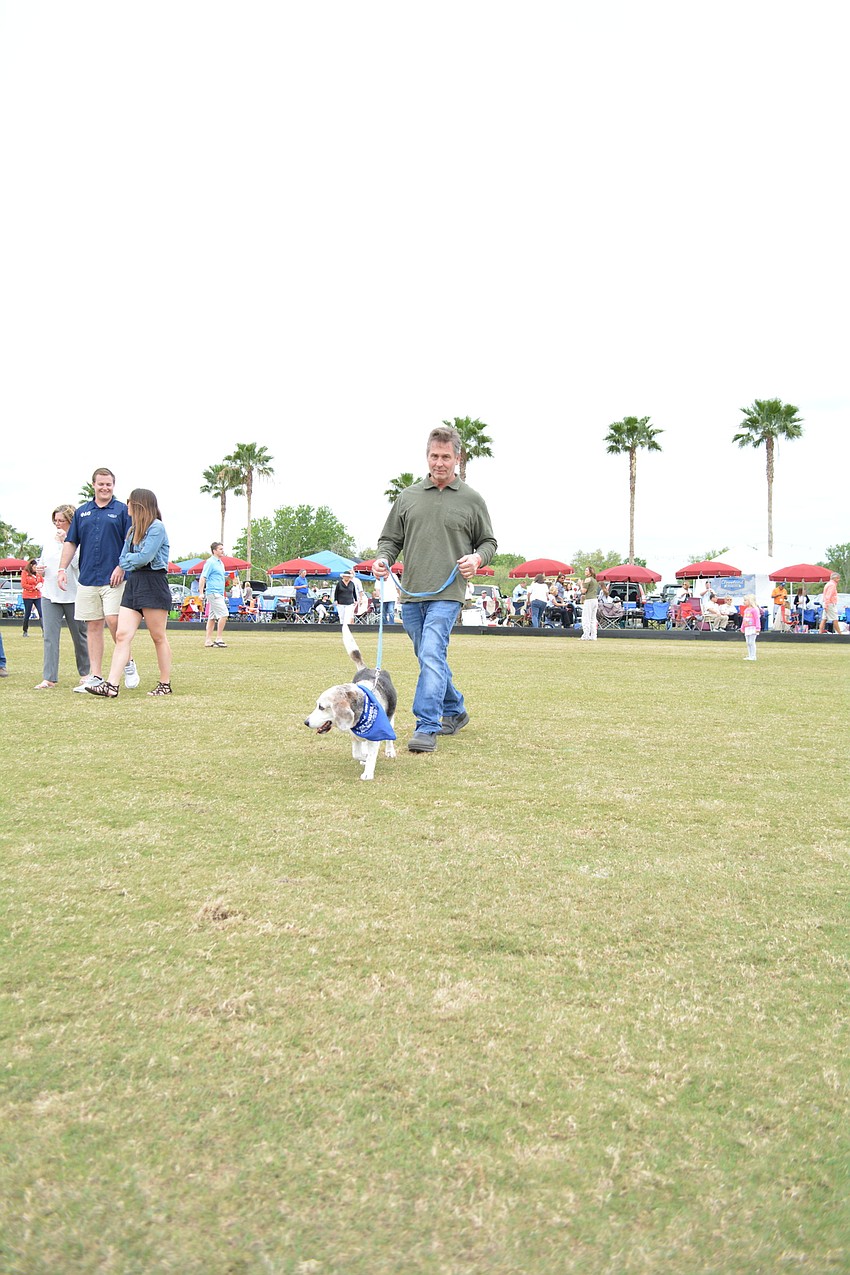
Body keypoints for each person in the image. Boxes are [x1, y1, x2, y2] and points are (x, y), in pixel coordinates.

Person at [374, 423, 496, 753]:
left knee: (430, 653)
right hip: (411, 592)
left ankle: (427, 725)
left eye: (445, 456)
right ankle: (455, 709)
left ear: (457, 458)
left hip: (449, 592)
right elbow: (390, 540)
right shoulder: (408, 496)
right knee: (430, 657)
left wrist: (477, 559)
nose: (438, 463)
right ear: (426, 457)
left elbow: (488, 541)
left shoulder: (472, 500)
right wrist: (383, 559)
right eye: (433, 456)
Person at [59, 467, 140, 693]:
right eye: (101, 484)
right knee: (93, 625)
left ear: (113, 485)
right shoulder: (82, 512)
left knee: (114, 621)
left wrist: (121, 566)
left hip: (115, 578)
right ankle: (95, 676)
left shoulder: (124, 511)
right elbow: (71, 542)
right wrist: (61, 569)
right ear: (93, 485)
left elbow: (131, 542)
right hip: (87, 578)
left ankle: (128, 663)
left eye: (109, 484)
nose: (105, 488)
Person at [86, 488, 173, 697]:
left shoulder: (157, 528)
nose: (127, 506)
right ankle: (111, 685)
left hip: (153, 582)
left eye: (129, 502)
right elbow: (122, 558)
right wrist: (131, 561)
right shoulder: (132, 531)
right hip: (134, 583)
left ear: (139, 504)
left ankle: (165, 683)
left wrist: (130, 561)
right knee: (122, 635)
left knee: (158, 636)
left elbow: (144, 558)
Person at [35, 503, 91, 689]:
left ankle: (86, 672)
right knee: (50, 637)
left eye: (62, 521)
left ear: (71, 521)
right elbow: (43, 565)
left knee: (79, 636)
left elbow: (78, 566)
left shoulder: (80, 541)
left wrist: (67, 542)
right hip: (50, 594)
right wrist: (39, 570)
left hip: (73, 595)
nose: (58, 524)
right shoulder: (49, 541)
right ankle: (49, 677)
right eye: (55, 521)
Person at [198, 542, 229, 647]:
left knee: (212, 617)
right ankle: (219, 639)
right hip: (213, 592)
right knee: (224, 614)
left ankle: (208, 640)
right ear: (214, 551)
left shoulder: (221, 563)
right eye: (220, 549)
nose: (222, 550)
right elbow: (203, 577)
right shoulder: (210, 562)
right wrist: (201, 593)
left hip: (219, 592)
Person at [21, 559, 43, 636]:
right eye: (34, 567)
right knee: (27, 613)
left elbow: (42, 580)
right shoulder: (25, 573)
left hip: (37, 596)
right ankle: (25, 631)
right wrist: (34, 587)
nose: (35, 568)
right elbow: (24, 584)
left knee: (41, 612)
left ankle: (45, 630)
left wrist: (41, 584)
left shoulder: (37, 574)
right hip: (28, 596)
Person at [580, 567, 600, 640]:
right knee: (593, 619)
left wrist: (581, 584)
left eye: (586, 570)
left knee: (586, 618)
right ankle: (593, 636)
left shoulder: (588, 579)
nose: (585, 571)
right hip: (595, 599)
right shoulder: (595, 580)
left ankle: (586, 635)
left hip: (589, 600)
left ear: (590, 572)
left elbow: (583, 591)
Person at [741, 593, 761, 660]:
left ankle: (753, 656)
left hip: (753, 627)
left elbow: (757, 619)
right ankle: (750, 655)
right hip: (747, 627)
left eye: (746, 600)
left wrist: (758, 627)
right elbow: (744, 619)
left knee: (751, 642)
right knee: (748, 642)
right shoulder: (746, 610)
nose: (744, 602)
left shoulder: (754, 609)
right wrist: (742, 627)